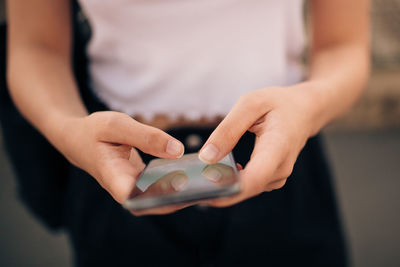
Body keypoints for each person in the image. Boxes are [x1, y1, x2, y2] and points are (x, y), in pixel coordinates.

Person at [6, 0, 369, 266]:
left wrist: (307, 107)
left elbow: (344, 45)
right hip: (118, 157)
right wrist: (67, 129)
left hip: (279, 151)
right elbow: (36, 48)